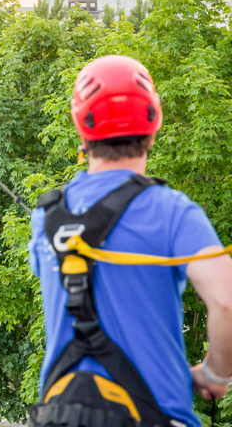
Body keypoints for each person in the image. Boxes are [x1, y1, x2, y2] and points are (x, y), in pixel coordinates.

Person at [28, 55, 232, 427]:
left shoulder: (47, 217)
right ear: (153, 125)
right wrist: (216, 374)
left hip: (60, 415)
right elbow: (226, 301)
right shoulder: (171, 212)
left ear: (82, 130)